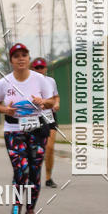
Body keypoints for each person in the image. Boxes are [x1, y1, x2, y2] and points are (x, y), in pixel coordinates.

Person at [0, 43, 56, 214]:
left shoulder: (40, 80)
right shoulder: (4, 82)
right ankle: (17, 202)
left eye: (24, 55)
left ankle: (31, 210)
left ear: (29, 59)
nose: (21, 58)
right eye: (16, 56)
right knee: (22, 169)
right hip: (14, 130)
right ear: (11, 60)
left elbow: (51, 103)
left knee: (34, 171)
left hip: (36, 130)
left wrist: (43, 101)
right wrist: (4, 109)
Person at [30, 58, 60, 188]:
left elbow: (55, 96)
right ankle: (32, 176)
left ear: (46, 68)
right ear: (33, 69)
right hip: (33, 117)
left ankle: (48, 178)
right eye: (37, 68)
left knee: (50, 148)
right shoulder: (28, 82)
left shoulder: (51, 81)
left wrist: (57, 103)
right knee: (33, 149)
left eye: (42, 67)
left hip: (49, 116)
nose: (40, 70)